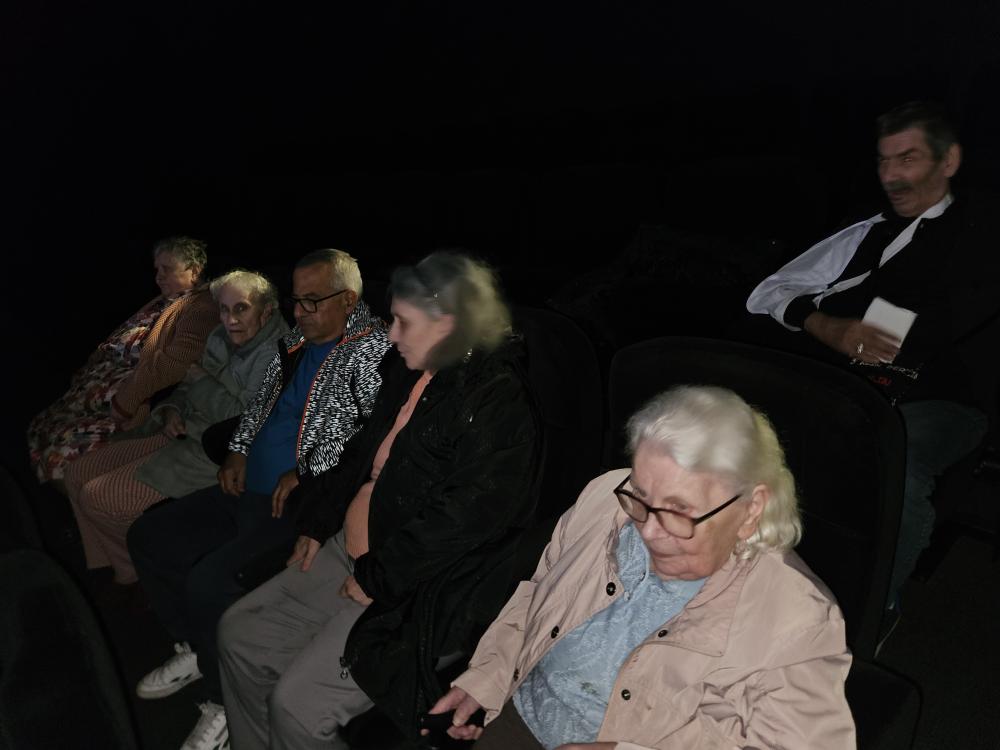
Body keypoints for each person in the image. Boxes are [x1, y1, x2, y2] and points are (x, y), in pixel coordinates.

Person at [217, 251, 542, 750]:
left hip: (414, 584)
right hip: (354, 550)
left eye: (403, 322)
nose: (390, 335)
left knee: (298, 706)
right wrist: (318, 521)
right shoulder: (409, 369)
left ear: (448, 324)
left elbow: (462, 520)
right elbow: (359, 451)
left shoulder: (495, 403)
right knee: (240, 634)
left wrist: (378, 577)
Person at [431, 385, 855, 750]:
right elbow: (539, 595)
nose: (648, 530)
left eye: (679, 510)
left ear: (751, 509)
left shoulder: (799, 619)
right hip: (523, 715)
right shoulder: (605, 499)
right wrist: (488, 677)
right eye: (641, 495)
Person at [744, 101, 998, 643]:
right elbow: (769, 292)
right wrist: (823, 324)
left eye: (907, 159)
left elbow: (933, 324)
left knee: (896, 466)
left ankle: (867, 616)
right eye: (883, 161)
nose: (891, 176)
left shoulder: (981, 229)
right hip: (848, 384)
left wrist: (854, 332)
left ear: (949, 160)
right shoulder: (867, 230)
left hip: (944, 399)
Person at [126, 249, 390, 750]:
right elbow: (261, 405)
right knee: (150, 536)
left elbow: (361, 437)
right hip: (246, 487)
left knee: (210, 583)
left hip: (295, 506)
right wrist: (239, 450)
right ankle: (198, 649)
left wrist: (305, 471)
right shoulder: (295, 343)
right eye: (296, 300)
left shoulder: (371, 352)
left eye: (313, 301)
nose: (300, 312)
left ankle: (223, 700)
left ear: (349, 299)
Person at [63, 269, 289, 587]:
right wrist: (171, 410)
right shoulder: (220, 336)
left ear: (267, 310)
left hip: (214, 451)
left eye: (241, 308)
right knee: (77, 473)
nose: (230, 319)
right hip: (183, 429)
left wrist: (201, 384)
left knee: (101, 497)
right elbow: (187, 385)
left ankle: (138, 573)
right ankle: (119, 564)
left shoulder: (278, 354)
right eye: (224, 309)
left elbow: (242, 419)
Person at [27, 236, 217, 489]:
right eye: (157, 269)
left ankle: (80, 504)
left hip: (124, 400)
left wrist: (126, 402)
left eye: (167, 269)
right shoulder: (163, 300)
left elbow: (175, 362)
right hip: (95, 389)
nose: (158, 277)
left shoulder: (202, 305)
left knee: (62, 452)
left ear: (194, 271)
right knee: (42, 427)